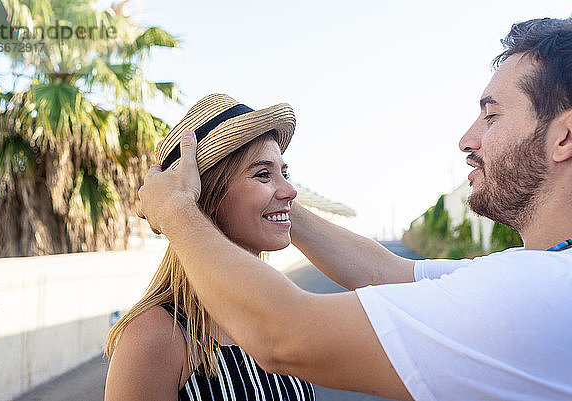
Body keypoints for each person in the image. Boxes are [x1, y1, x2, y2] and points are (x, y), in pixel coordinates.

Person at [136, 18, 572, 401]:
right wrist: (268, 198)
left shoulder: (538, 292)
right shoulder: (154, 335)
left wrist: (179, 211)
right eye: (265, 173)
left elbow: (284, 334)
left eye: (491, 116)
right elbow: (381, 273)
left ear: (564, 137)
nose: (466, 139)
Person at [104, 94, 315, 401]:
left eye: (284, 173)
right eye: (263, 174)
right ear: (210, 197)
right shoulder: (156, 335)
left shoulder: (282, 314)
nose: (290, 190)